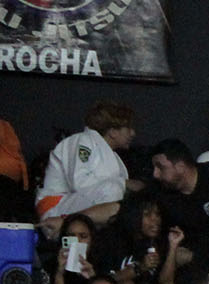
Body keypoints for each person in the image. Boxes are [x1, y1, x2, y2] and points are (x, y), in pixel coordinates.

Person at [36, 100, 138, 234]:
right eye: (128, 128)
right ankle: (67, 223)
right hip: (54, 211)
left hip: (74, 208)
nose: (133, 133)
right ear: (113, 131)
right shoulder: (82, 141)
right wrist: (124, 183)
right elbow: (80, 183)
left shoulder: (113, 156)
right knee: (113, 189)